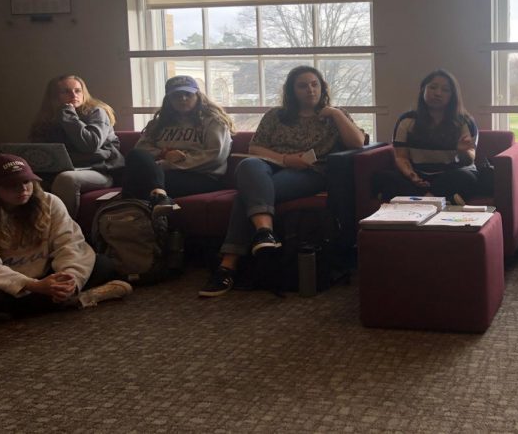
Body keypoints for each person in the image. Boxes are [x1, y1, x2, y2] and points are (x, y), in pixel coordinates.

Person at [198, 66, 365, 297]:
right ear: (292, 90)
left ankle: (228, 265)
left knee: (246, 196)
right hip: (272, 164)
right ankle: (264, 232)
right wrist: (286, 159)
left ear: (322, 88)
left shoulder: (334, 116)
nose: (310, 90)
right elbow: (255, 147)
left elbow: (357, 143)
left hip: (311, 173)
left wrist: (336, 114)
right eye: (303, 85)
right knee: (248, 165)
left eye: (315, 84)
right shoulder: (276, 115)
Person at [0, 154, 132, 316]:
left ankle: (56, 299)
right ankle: (78, 299)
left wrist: (69, 280)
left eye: (26, 181)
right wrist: (34, 285)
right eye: (12, 185)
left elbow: (70, 243)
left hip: (49, 275)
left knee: (104, 264)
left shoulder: (50, 202)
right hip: (12, 283)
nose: (23, 189)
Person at [122, 75, 234, 211]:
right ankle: (160, 201)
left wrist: (172, 164)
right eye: (176, 95)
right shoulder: (158, 124)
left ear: (198, 96)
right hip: (161, 172)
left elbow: (215, 156)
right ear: (168, 99)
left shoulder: (214, 122)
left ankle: (131, 219)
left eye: (188, 94)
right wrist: (165, 153)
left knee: (138, 182)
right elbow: (142, 148)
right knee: (135, 155)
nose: (183, 99)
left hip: (202, 177)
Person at [372, 69, 480, 205]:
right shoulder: (406, 120)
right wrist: (410, 175)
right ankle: (444, 200)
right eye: (433, 87)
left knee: (466, 177)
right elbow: (401, 157)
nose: (438, 93)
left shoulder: (464, 121)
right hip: (419, 176)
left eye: (445, 90)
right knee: (383, 178)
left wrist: (462, 151)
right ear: (423, 89)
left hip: (451, 173)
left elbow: (469, 161)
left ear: (453, 95)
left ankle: (421, 200)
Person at [28, 75, 124, 218]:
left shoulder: (96, 112)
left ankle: (64, 231)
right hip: (62, 169)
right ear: (54, 97)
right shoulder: (49, 119)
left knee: (66, 179)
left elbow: (90, 144)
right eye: (66, 92)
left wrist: (68, 114)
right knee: (23, 179)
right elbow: (39, 150)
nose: (74, 95)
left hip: (100, 170)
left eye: (78, 91)